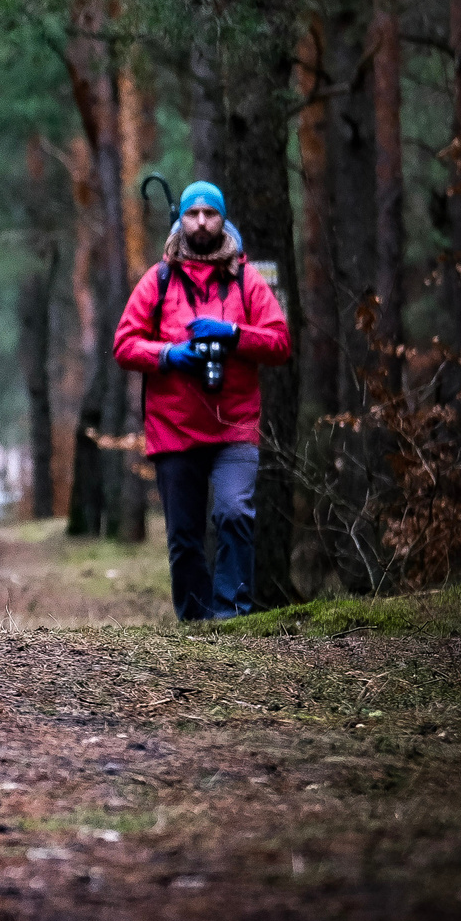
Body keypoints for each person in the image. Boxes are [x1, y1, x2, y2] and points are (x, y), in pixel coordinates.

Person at [111, 180, 291, 621]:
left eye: (211, 213)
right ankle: (195, 622)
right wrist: (170, 355)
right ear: (181, 220)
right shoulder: (159, 279)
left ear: (223, 219)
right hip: (174, 426)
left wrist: (233, 336)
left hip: (235, 423)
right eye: (193, 214)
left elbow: (280, 342)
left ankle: (232, 615)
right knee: (184, 536)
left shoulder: (246, 279)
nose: (202, 222)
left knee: (233, 512)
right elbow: (124, 344)